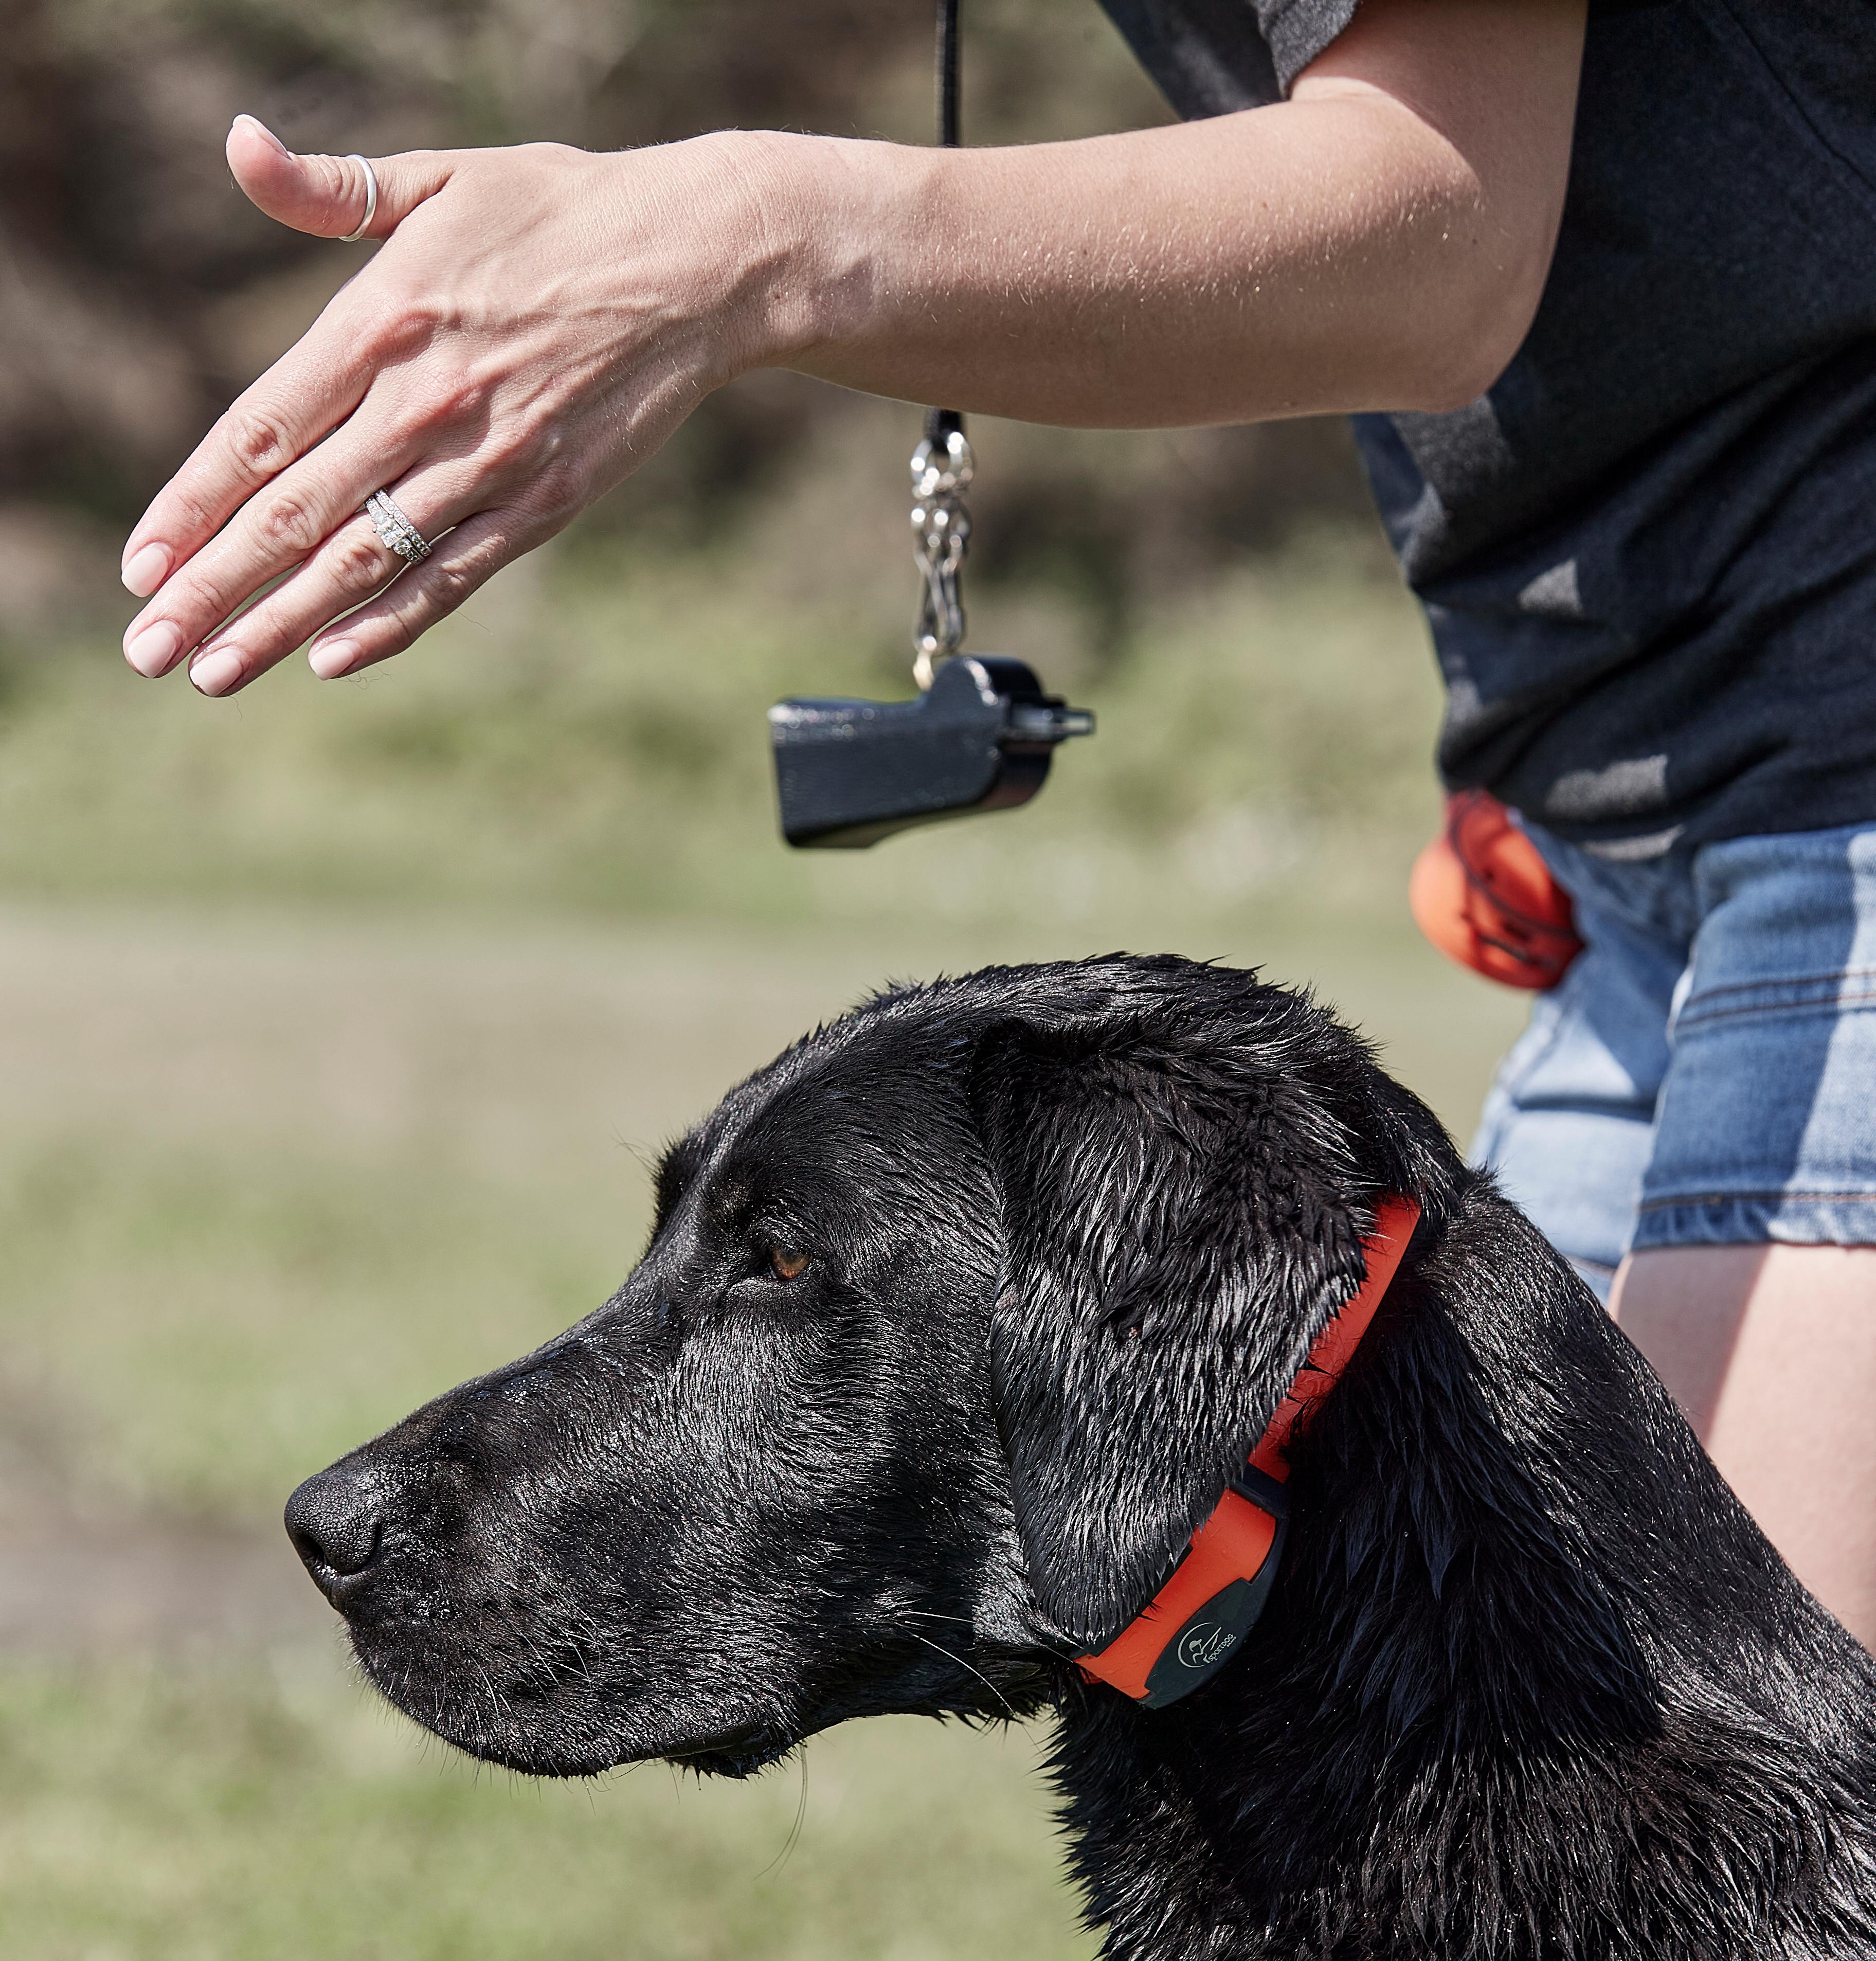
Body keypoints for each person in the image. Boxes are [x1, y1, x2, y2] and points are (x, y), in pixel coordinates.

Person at [114, 1, 1876, 1671]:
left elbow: (1444, 220)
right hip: (1648, 823)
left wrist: (745, 239)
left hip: (1838, 761)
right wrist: (1582, 745)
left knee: (1729, 1877)